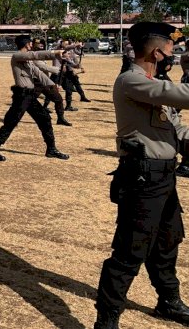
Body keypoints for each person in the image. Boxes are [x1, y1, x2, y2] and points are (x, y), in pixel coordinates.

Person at [94, 22, 189, 329]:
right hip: (142, 178)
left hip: (164, 176)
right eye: (172, 48)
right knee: (130, 251)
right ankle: (106, 321)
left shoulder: (155, 82)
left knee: (167, 240)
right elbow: (183, 96)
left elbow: (177, 129)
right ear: (156, 51)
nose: (175, 53)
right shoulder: (132, 81)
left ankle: (168, 302)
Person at [0, 35, 69, 162]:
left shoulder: (28, 61)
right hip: (21, 96)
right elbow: (35, 55)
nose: (31, 45)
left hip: (30, 96)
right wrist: (55, 53)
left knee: (45, 118)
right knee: (11, 122)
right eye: (30, 43)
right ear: (26, 44)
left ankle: (51, 149)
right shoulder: (17, 56)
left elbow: (39, 73)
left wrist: (52, 85)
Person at [63, 41, 91, 105]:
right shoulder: (64, 52)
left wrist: (81, 67)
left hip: (71, 72)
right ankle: (68, 105)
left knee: (77, 84)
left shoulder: (72, 52)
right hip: (66, 73)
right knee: (68, 89)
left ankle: (82, 97)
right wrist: (73, 70)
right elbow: (67, 63)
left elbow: (76, 61)